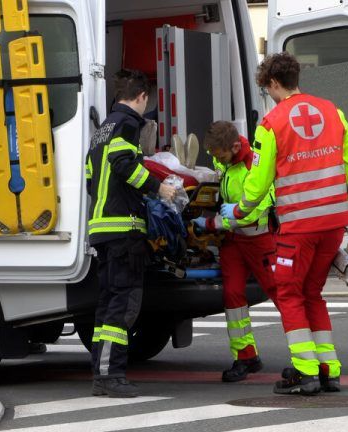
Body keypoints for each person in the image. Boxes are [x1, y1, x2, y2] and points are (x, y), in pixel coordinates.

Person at [221, 52, 348, 395]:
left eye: (266, 88)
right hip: (333, 225)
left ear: (273, 83)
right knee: (312, 293)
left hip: (298, 229)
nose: (268, 94)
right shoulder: (334, 112)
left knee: (288, 293)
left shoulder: (271, 124)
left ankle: (305, 373)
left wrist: (238, 213)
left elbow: (257, 183)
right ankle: (329, 369)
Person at [85, 69, 177, 398]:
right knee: (121, 306)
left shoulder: (102, 129)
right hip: (122, 228)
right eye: (146, 101)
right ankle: (110, 375)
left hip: (102, 230)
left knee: (108, 304)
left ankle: (102, 372)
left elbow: (90, 177)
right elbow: (125, 165)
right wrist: (158, 189)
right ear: (141, 97)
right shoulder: (127, 124)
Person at [191, 121, 278, 382]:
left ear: (236, 146)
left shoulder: (256, 166)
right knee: (233, 296)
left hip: (258, 238)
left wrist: (210, 223)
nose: (219, 161)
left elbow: (258, 210)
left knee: (282, 294)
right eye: (215, 157)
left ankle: (307, 357)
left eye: (221, 156)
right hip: (233, 241)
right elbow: (220, 171)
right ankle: (245, 356)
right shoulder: (226, 160)